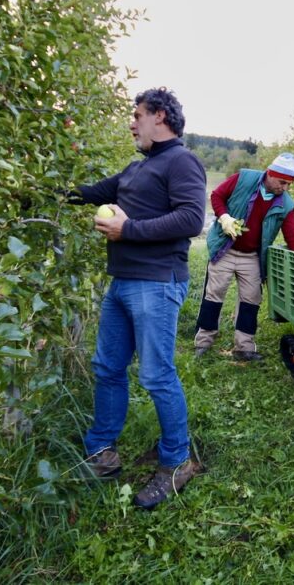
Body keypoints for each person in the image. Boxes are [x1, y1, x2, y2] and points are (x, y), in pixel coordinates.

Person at [71, 88, 206, 509]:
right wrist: (41, 189)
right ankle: (102, 452)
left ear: (160, 116)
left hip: (156, 281)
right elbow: (92, 192)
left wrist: (128, 230)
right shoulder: (136, 168)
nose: (131, 122)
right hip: (123, 282)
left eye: (137, 115)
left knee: (155, 374)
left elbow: (190, 219)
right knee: (107, 366)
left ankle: (177, 461)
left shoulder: (181, 161)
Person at [194, 152, 294, 361]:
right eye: (283, 182)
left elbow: (293, 235)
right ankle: (204, 342)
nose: (285, 188)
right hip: (225, 248)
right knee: (214, 294)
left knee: (251, 300)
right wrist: (224, 217)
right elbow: (217, 195)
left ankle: (244, 348)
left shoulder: (286, 204)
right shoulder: (244, 179)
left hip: (252, 257)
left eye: (289, 184)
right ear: (271, 174)